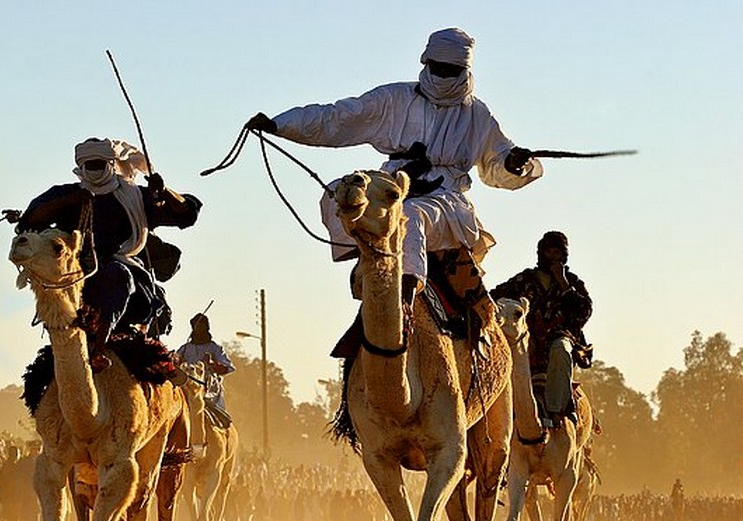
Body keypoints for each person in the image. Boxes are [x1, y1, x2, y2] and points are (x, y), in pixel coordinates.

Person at [245, 27, 542, 340]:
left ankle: (405, 299)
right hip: (394, 182)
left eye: (449, 70)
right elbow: (338, 118)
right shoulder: (394, 99)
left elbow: (496, 167)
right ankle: (371, 263)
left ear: (464, 70)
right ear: (426, 63)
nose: (442, 75)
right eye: (437, 68)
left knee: (408, 217)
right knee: (339, 194)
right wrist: (280, 124)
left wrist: (513, 164)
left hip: (445, 200)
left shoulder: (478, 115)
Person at [11, 137, 203, 372]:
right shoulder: (66, 194)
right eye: (88, 165)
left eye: (98, 164)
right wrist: (69, 201)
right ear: (80, 166)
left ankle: (98, 351)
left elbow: (187, 214)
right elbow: (29, 220)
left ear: (111, 163)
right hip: (76, 274)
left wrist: (163, 192)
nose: (93, 170)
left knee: (118, 275)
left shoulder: (134, 196)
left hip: (123, 273)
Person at [491, 230, 593, 426]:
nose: (553, 257)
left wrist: (563, 283)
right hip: (527, 338)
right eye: (549, 253)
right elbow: (495, 297)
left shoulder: (572, 282)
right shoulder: (524, 280)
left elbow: (584, 312)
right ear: (541, 253)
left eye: (557, 253)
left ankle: (557, 411)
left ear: (564, 256)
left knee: (561, 350)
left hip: (559, 336)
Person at [176, 312, 236, 412]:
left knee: (216, 418)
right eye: (196, 326)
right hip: (187, 389)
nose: (199, 328)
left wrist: (211, 363)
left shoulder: (215, 348)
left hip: (209, 390)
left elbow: (227, 367)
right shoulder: (185, 349)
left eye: (201, 325)